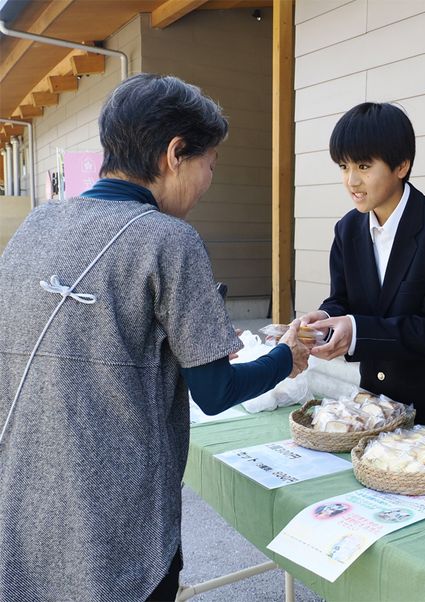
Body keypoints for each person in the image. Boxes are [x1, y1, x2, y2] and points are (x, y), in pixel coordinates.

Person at [0, 74, 309, 602]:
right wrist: (288, 355)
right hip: (118, 519)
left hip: (26, 497)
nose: (209, 181)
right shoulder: (168, 239)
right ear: (174, 154)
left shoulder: (37, 224)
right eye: (209, 164)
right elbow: (214, 393)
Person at [300, 102, 425, 432]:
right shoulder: (347, 229)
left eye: (364, 166)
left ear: (401, 166)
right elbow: (342, 300)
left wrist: (357, 331)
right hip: (373, 409)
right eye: (343, 166)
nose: (351, 180)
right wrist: (324, 320)